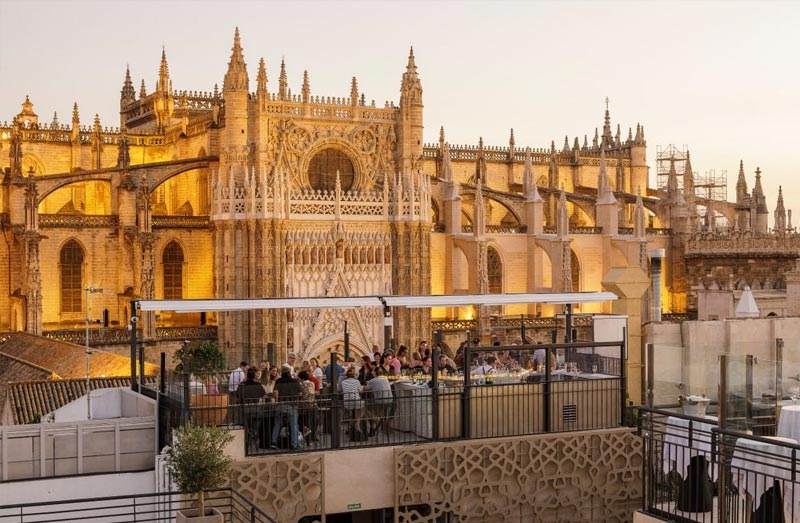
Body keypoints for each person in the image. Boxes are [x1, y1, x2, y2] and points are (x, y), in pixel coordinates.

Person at [271, 365, 304, 450]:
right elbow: (300, 394)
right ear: (289, 373)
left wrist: (277, 401)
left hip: (281, 405)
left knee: (278, 423)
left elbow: (275, 392)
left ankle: (273, 442)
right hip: (291, 405)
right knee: (293, 425)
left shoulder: (278, 381)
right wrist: (295, 399)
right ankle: (294, 444)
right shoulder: (295, 381)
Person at [364, 366, 393, 435]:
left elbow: (365, 389)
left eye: (373, 371)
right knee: (379, 410)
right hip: (389, 401)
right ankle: (378, 424)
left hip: (380, 401)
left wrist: (368, 384)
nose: (372, 372)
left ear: (375, 373)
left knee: (364, 407)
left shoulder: (373, 381)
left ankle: (376, 420)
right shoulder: (385, 378)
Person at [340, 367, 365, 438]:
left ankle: (351, 425)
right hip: (356, 402)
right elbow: (360, 391)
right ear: (354, 375)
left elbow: (339, 390)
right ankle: (357, 422)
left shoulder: (343, 382)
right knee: (363, 405)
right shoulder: (357, 381)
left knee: (349, 413)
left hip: (347, 403)